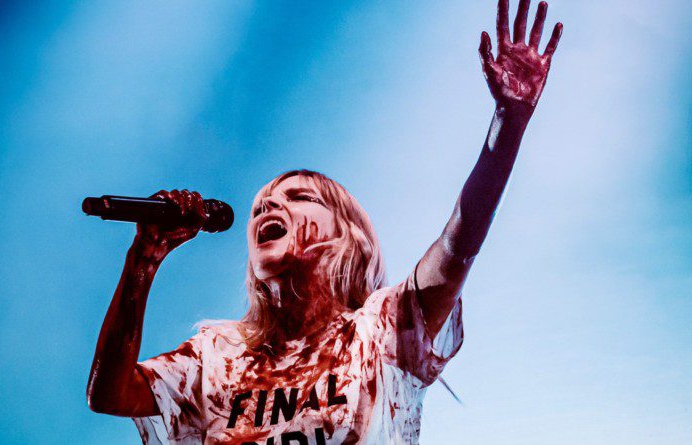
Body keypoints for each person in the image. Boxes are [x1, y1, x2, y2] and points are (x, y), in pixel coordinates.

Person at [86, 0, 562, 443]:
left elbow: (458, 243)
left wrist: (509, 120)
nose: (270, 208)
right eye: (261, 206)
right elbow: (109, 395)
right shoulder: (215, 356)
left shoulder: (381, 332)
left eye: (299, 197)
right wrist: (143, 260)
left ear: (348, 234)